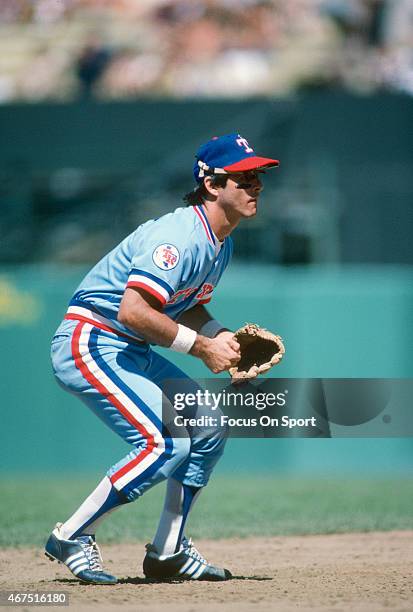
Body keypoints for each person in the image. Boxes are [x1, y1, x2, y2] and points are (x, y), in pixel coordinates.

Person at [45, 133, 279, 584]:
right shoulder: (180, 235)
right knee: (166, 441)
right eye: (244, 177)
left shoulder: (219, 242)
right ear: (212, 184)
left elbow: (183, 302)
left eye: (259, 178)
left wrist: (220, 338)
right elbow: (132, 309)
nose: (256, 187)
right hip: (91, 338)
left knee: (208, 426)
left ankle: (168, 552)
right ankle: (72, 534)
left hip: (128, 346)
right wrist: (200, 347)